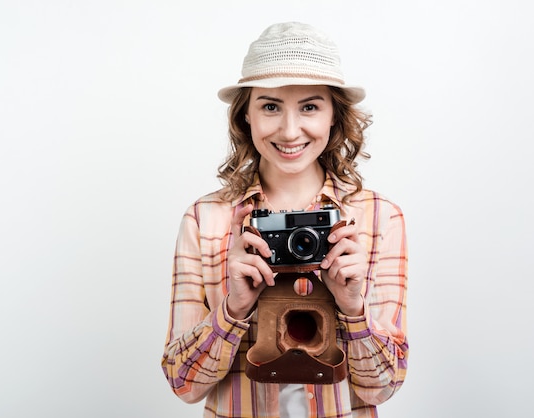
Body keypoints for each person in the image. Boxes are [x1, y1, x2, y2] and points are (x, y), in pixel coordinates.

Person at [161, 21, 408, 418]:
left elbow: (384, 386)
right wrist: (233, 309)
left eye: (309, 106)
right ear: (246, 117)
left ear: (334, 116)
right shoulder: (205, 220)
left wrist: (353, 306)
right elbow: (183, 385)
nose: (290, 131)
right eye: (270, 106)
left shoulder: (378, 218)